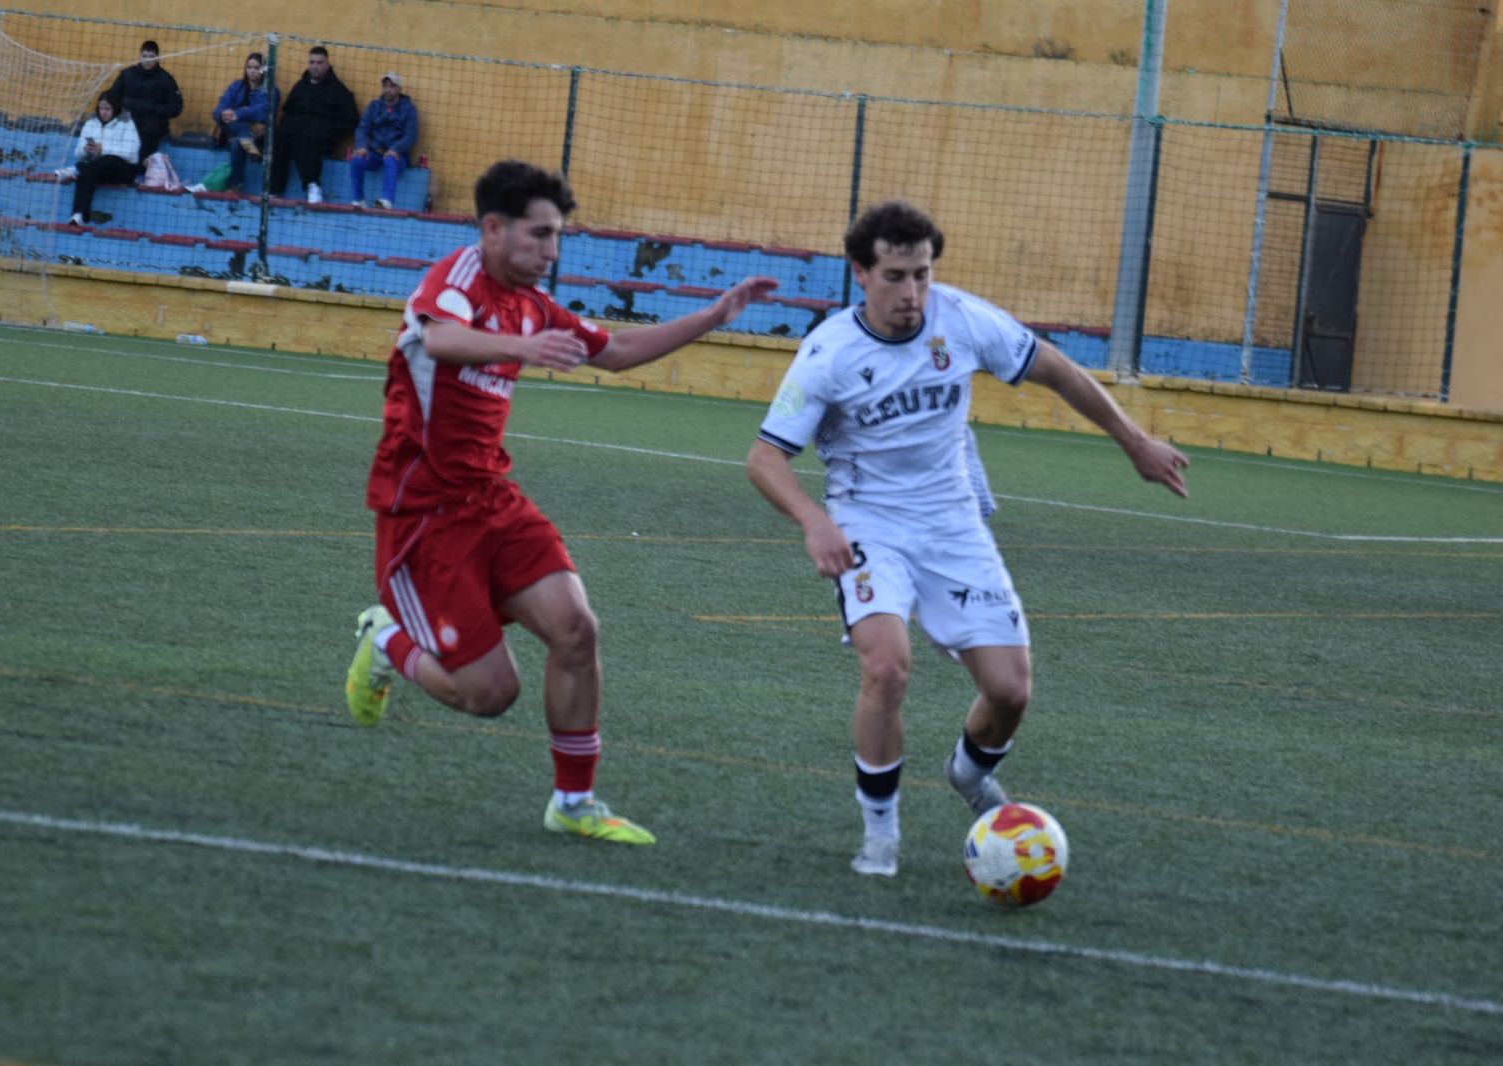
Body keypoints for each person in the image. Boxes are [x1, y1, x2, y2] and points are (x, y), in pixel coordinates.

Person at [745, 200, 1189, 878]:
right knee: (886, 667)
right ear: (859, 273)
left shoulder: (962, 319)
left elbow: (1058, 369)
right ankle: (881, 833)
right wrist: (815, 521)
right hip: (868, 523)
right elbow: (765, 457)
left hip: (953, 522)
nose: (912, 293)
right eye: (896, 276)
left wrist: (1134, 443)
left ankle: (967, 770)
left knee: (1011, 691)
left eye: (922, 274)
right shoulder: (829, 353)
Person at [345, 159, 777, 845]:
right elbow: (440, 338)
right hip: (424, 514)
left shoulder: (532, 303)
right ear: (493, 229)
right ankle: (386, 638)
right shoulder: (459, 282)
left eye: (557, 237)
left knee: (577, 630)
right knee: (490, 695)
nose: (551, 250)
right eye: (539, 234)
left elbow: (619, 350)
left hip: (492, 498)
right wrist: (524, 345)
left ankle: (574, 803)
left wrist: (715, 315)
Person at [269, 45, 358, 204]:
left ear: (327, 64)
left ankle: (313, 186)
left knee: (310, 136)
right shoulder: (300, 86)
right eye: (311, 62)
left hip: (320, 135)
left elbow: (351, 119)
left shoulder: (337, 90)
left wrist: (330, 131)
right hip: (296, 131)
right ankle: (275, 188)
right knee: (280, 135)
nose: (315, 66)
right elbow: (287, 111)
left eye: (319, 62)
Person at [57, 90, 140, 226]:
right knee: (87, 172)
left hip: (123, 170)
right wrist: (86, 149)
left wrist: (103, 149)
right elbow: (77, 153)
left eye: (108, 108)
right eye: (101, 108)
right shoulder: (91, 123)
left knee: (105, 160)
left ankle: (76, 170)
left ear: (116, 107)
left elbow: (131, 154)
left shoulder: (127, 123)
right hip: (96, 169)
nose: (104, 112)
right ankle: (78, 215)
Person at [105, 40, 182, 164]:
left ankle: (139, 170)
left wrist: (153, 108)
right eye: (144, 56)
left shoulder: (166, 80)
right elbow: (112, 96)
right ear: (139, 56)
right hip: (127, 120)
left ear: (158, 58)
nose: (147, 60)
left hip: (152, 124)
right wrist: (125, 106)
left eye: (151, 57)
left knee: (147, 136)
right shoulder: (127, 74)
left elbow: (176, 108)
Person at [349, 72, 419, 209]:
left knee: (391, 160)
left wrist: (395, 149)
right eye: (385, 86)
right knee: (356, 160)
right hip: (375, 152)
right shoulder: (374, 106)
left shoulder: (409, 110)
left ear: (399, 89)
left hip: (399, 156)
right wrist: (362, 146)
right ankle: (358, 200)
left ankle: (386, 201)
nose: (387, 89)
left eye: (392, 86)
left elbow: (411, 136)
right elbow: (362, 128)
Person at [212, 51, 271, 189]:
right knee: (236, 128)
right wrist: (223, 114)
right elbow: (219, 108)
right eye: (249, 67)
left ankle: (234, 186)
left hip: (256, 133)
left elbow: (263, 112)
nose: (252, 71)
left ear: (264, 70)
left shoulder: (269, 91)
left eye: (256, 68)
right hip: (229, 127)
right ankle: (246, 141)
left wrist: (238, 114)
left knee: (237, 142)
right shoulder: (236, 87)